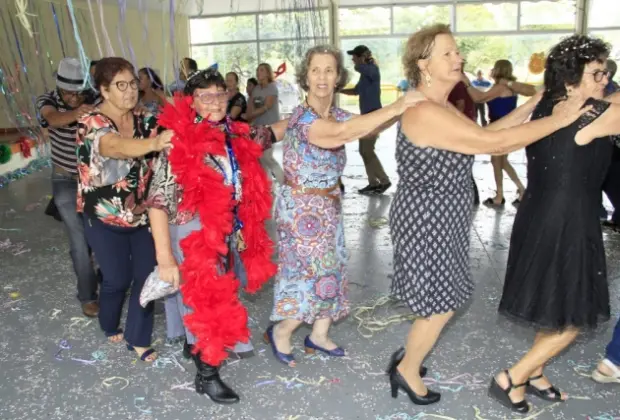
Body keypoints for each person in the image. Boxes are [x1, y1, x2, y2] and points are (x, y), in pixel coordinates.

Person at [386, 24, 590, 408]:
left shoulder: (442, 105)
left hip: (443, 217)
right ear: (423, 64)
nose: (459, 57)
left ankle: (410, 359)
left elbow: (492, 130)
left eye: (457, 51)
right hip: (427, 221)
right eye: (448, 53)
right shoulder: (423, 111)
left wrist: (536, 103)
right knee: (440, 303)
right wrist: (559, 119)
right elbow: (492, 143)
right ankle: (407, 370)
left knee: (444, 296)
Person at [265, 45, 425, 368]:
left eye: (329, 70)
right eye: (315, 70)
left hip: (328, 206)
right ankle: (281, 331)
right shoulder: (305, 118)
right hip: (300, 211)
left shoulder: (335, 113)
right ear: (305, 77)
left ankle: (319, 335)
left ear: (338, 77)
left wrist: (407, 109)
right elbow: (341, 133)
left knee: (334, 269)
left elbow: (369, 126)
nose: (322, 77)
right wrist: (398, 104)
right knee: (311, 275)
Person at [492, 34, 620, 414]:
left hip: (538, 215)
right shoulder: (592, 116)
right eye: (597, 73)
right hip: (567, 221)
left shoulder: (550, 105)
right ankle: (512, 378)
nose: (605, 79)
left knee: (554, 299)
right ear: (570, 80)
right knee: (573, 317)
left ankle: (536, 372)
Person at [148, 69, 286, 403]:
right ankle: (206, 375)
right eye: (205, 96)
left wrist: (306, 116)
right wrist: (164, 258)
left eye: (220, 94)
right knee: (207, 302)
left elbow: (268, 134)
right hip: (193, 235)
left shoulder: (233, 133)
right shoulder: (177, 140)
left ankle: (193, 344)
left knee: (213, 295)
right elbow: (156, 202)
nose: (214, 102)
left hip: (226, 229)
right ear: (191, 102)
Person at [76, 57, 172, 362]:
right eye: (121, 85)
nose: (130, 91)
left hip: (141, 215)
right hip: (103, 216)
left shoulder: (145, 118)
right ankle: (108, 322)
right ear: (104, 90)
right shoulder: (91, 121)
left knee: (146, 278)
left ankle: (137, 337)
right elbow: (114, 146)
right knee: (117, 279)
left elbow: (176, 125)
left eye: (133, 83)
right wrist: (155, 143)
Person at [36, 57, 100, 317]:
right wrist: (77, 113)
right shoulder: (47, 100)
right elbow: (52, 119)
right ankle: (87, 295)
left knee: (102, 236)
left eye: (77, 91)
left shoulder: (94, 98)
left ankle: (107, 280)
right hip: (64, 181)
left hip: (95, 180)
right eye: (67, 92)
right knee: (78, 241)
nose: (72, 96)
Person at [466, 60, 536, 206]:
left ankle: (502, 195)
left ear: (498, 70)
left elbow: (479, 97)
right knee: (500, 161)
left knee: (498, 161)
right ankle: (519, 190)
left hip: (500, 128)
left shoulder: (499, 88)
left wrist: (465, 82)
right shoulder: (509, 87)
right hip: (505, 128)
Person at [341, 45, 391, 195]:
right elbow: (356, 91)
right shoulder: (365, 73)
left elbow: (360, 68)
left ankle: (384, 180)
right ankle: (373, 182)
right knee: (365, 151)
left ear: (362, 56)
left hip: (374, 116)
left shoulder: (372, 69)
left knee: (367, 149)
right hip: (366, 116)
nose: (352, 59)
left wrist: (363, 61)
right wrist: (338, 90)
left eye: (355, 56)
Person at [245, 63, 284, 184]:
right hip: (258, 127)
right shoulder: (257, 89)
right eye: (257, 70)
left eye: (261, 70)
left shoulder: (272, 87)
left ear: (267, 73)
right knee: (261, 159)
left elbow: (267, 105)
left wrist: (251, 115)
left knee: (267, 157)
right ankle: (268, 188)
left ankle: (283, 183)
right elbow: (251, 104)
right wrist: (250, 116)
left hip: (270, 127)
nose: (258, 73)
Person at [447, 67, 479, 205]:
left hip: (461, 126)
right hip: (464, 124)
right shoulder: (459, 81)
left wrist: (453, 124)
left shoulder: (458, 83)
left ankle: (472, 196)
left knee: (461, 161)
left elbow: (461, 105)